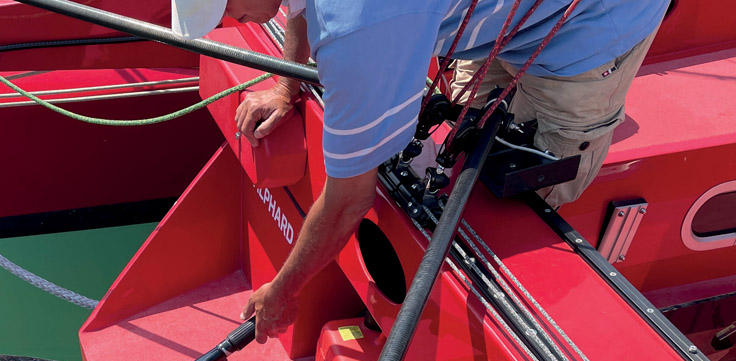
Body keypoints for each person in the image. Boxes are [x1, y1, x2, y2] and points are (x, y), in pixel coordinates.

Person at [170, 0, 671, 343]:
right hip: (503, 17)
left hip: (592, 22)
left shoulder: (355, 37)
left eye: (227, 6)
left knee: (529, 179)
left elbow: (348, 200)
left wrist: (283, 292)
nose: (229, 19)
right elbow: (298, 4)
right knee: (462, 124)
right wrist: (286, 84)